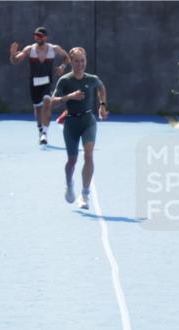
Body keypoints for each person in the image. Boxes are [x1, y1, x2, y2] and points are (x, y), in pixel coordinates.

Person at [50, 47, 107, 209]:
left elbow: (101, 87)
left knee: (88, 155)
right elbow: (53, 102)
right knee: (72, 160)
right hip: (71, 123)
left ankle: (84, 194)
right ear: (71, 62)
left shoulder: (92, 79)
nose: (80, 64)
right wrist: (69, 97)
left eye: (83, 61)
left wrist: (102, 105)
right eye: (76, 61)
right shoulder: (65, 81)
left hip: (88, 120)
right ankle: (69, 183)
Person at [9, 27, 69, 146]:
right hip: (34, 84)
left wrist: (62, 67)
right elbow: (15, 61)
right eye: (36, 35)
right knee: (37, 109)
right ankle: (40, 129)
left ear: (45, 37)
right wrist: (12, 54)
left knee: (47, 102)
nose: (37, 37)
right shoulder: (29, 49)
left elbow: (66, 57)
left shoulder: (53, 49)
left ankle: (45, 134)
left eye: (40, 36)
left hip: (47, 83)